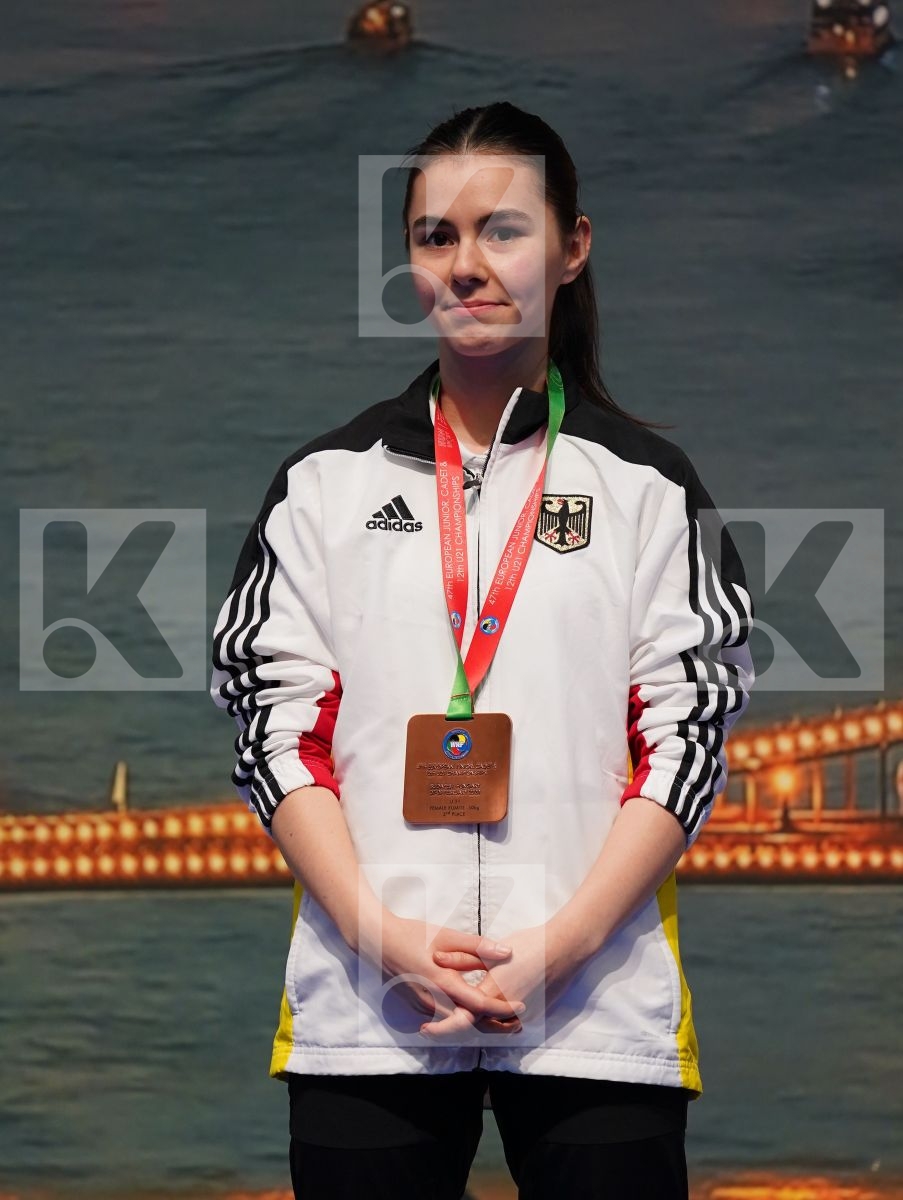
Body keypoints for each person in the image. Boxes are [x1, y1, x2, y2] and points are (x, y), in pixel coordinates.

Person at [209, 100, 755, 1200]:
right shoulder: (324, 484)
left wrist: (561, 948)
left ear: (571, 247)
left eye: (502, 230)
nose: (467, 264)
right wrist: (381, 936)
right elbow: (272, 727)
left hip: (595, 1004)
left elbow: (688, 736)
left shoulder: (649, 487)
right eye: (436, 236)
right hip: (370, 1005)